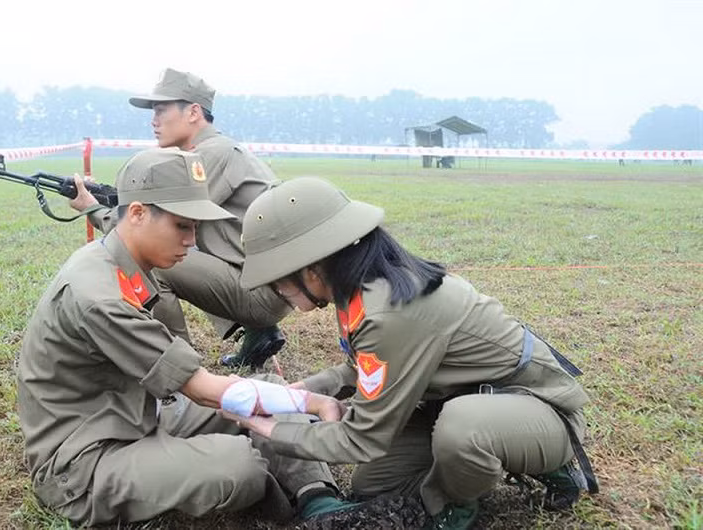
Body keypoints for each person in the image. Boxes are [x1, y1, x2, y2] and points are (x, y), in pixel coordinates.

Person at [226, 177, 599, 530]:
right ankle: (460, 469)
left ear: (310, 270)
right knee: (376, 484)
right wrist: (304, 391)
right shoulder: (361, 289)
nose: (276, 292)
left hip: (538, 408)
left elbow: (361, 439)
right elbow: (366, 369)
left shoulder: (388, 311)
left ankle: (459, 504)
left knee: (464, 431)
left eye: (276, 280)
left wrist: (271, 428)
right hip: (457, 402)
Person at [17, 151, 358, 526]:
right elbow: (201, 389)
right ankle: (285, 511)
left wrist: (293, 400)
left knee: (274, 392)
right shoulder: (97, 295)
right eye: (182, 226)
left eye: (195, 227)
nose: (191, 241)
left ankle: (318, 499)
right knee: (238, 465)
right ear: (137, 213)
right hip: (86, 459)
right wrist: (313, 400)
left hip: (143, 413)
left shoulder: (124, 265)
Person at [75, 67, 290, 369]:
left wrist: (91, 208)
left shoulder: (207, 156)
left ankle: (181, 366)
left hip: (263, 293)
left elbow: (143, 230)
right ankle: (259, 334)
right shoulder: (217, 149)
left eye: (161, 110)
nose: (154, 120)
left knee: (150, 257)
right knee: (184, 241)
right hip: (267, 284)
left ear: (192, 113)